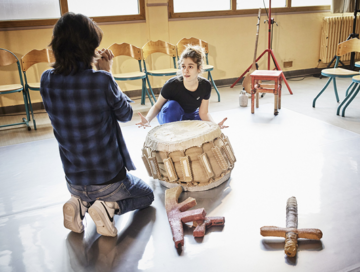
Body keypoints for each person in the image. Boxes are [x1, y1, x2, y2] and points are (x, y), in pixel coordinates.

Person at [40, 12, 154, 237]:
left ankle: (79, 204)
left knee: (84, 192)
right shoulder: (101, 80)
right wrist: (107, 72)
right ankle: (109, 207)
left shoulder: (46, 79)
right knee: (146, 195)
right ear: (88, 47)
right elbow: (126, 114)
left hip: (73, 179)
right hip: (108, 179)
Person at [136, 45, 228, 129]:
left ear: (199, 68)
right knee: (172, 106)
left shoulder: (205, 85)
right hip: (169, 114)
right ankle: (171, 130)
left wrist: (214, 125)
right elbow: (157, 106)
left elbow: (203, 113)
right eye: (183, 66)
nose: (186, 71)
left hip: (190, 115)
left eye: (190, 67)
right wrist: (147, 119)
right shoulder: (171, 84)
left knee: (205, 128)